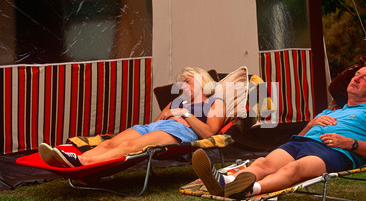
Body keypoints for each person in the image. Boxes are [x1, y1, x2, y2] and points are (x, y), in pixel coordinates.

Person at [192, 61, 366, 199]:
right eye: (356, 74)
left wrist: (349, 143)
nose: (356, 78)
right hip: (301, 143)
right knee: (263, 163)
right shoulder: (333, 110)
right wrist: (309, 125)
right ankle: (225, 182)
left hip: (335, 152)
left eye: (365, 78)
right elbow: (301, 137)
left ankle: (249, 190)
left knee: (294, 170)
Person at [39, 67, 226, 168]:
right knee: (108, 144)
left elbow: (210, 132)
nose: (183, 86)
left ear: (202, 80)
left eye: (187, 81)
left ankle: (83, 163)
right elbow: (156, 123)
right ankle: (71, 162)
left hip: (180, 132)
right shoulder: (177, 101)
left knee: (128, 147)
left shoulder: (215, 103)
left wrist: (184, 114)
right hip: (153, 128)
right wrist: (171, 114)